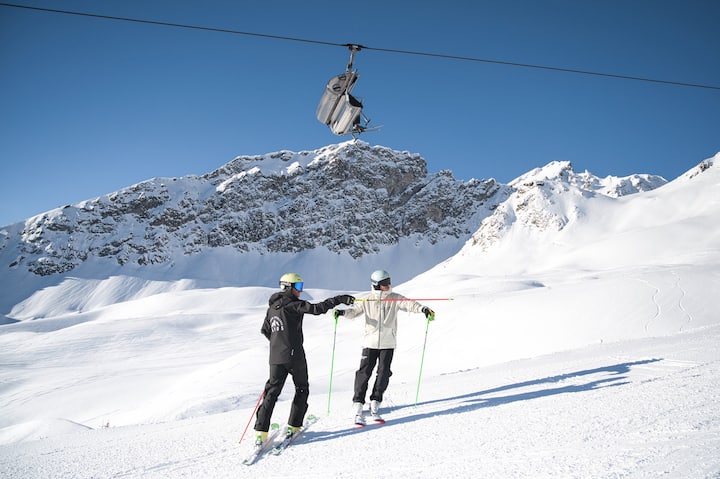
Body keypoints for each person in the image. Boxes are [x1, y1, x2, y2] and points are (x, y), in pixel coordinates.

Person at [254, 273, 355, 447]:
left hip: (276, 357)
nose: (300, 291)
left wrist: (279, 343)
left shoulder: (272, 308)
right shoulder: (293, 305)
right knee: (301, 388)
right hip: (294, 355)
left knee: (271, 392)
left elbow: (265, 330)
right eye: (298, 287)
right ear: (288, 287)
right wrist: (339, 299)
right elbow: (317, 309)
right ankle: (294, 426)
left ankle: (261, 432)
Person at [334, 269, 435, 425]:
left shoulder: (395, 298)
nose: (388, 285)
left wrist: (423, 309)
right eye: (384, 283)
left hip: (388, 344)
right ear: (376, 285)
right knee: (364, 373)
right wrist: (342, 313)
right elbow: (353, 312)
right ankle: (358, 403)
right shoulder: (367, 300)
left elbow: (409, 304)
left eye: (389, 282)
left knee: (384, 373)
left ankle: (376, 401)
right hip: (370, 343)